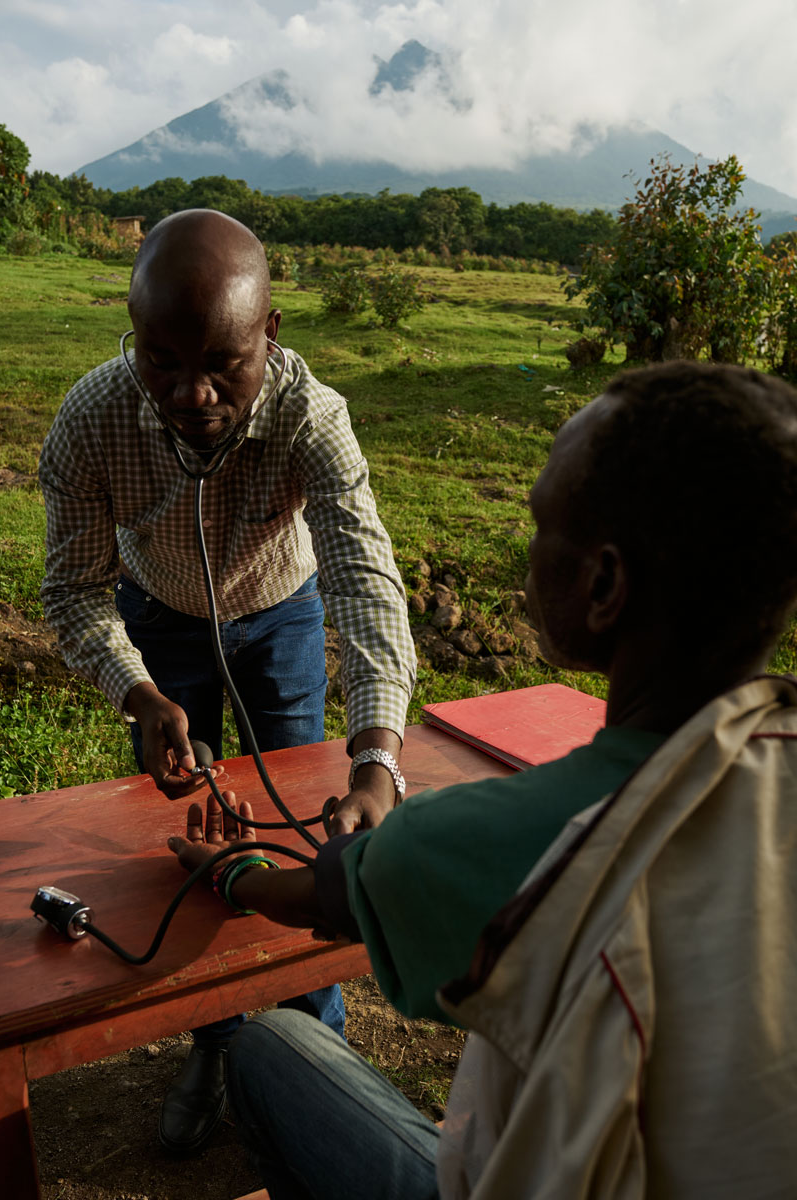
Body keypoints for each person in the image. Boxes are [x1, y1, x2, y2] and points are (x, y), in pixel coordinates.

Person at [169, 360, 797, 1198]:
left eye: (540, 521)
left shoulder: (497, 842)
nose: (527, 549)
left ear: (605, 584)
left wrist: (235, 871)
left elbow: (319, 898)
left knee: (272, 1049)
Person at [38, 209, 416, 1154]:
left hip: (282, 615)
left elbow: (365, 579)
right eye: (160, 362)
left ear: (270, 337)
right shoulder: (88, 422)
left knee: (304, 828)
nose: (191, 394)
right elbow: (74, 593)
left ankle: (311, 1045)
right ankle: (217, 1042)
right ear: (133, 339)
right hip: (160, 623)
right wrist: (138, 692)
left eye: (222, 365)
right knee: (200, 829)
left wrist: (375, 756)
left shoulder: (312, 418)